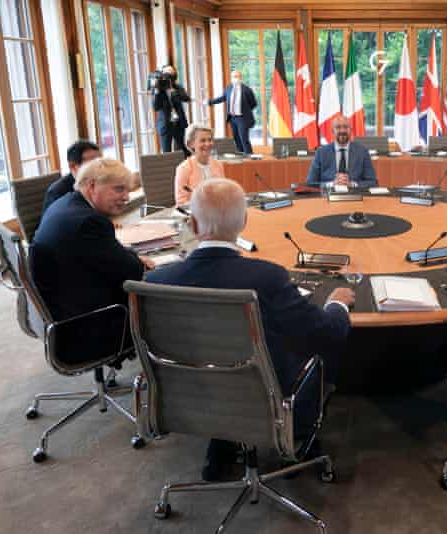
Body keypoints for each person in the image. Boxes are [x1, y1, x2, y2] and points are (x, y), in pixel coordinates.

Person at [145, 178, 354, 480]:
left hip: (189, 397)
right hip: (262, 398)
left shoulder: (156, 283)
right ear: (243, 221)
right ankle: (298, 438)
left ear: (191, 223)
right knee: (323, 348)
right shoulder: (266, 278)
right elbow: (327, 331)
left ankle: (222, 443)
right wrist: (337, 305)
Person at [30, 159, 155, 364]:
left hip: (61, 313)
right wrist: (138, 261)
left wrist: (128, 257)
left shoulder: (64, 204)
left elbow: (109, 258)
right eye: (118, 190)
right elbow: (132, 272)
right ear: (92, 186)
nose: (126, 197)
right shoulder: (89, 223)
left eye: (127, 190)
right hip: (85, 328)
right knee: (163, 299)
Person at [305, 115, 378, 188]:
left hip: (354, 195)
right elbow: (310, 183)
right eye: (338, 127)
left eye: (346, 127)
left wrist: (352, 184)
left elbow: (373, 182)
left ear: (351, 130)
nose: (342, 131)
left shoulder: (362, 152)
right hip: (328, 195)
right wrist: (331, 184)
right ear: (333, 131)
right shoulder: (321, 153)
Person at [42, 141, 101, 214]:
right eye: (92, 163)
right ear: (73, 166)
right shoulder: (57, 191)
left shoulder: (100, 180)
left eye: (100, 162)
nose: (100, 167)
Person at [174, 124, 226, 205]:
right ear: (190, 144)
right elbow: (181, 202)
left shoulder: (218, 164)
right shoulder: (184, 168)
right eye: (203, 140)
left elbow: (223, 192)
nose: (208, 144)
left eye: (210, 140)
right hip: (195, 213)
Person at [208, 70, 257, 154]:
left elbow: (253, 104)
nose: (236, 78)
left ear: (241, 78)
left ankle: (249, 157)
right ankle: (241, 154)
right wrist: (210, 102)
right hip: (232, 118)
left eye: (238, 76)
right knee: (236, 138)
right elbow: (223, 98)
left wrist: (245, 111)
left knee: (244, 138)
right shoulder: (229, 88)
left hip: (242, 118)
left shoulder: (247, 90)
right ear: (231, 78)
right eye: (234, 76)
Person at [152, 65, 191, 157]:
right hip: (165, 125)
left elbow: (186, 98)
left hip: (179, 124)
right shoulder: (158, 89)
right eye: (166, 73)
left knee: (183, 149)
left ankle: (185, 169)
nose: (168, 76)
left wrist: (173, 92)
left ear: (174, 75)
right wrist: (157, 91)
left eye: (171, 73)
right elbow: (155, 107)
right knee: (167, 153)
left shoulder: (178, 87)